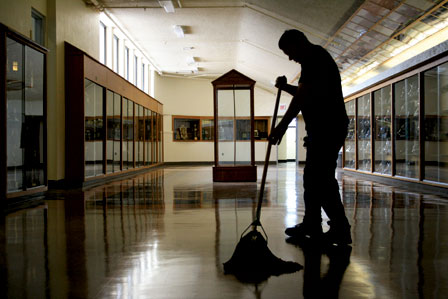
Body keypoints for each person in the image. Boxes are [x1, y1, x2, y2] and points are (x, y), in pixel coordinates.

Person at [269, 29, 351, 246]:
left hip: (329, 128)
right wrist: (285, 86)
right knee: (312, 178)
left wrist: (282, 126)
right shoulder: (313, 60)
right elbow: (307, 91)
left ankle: (340, 228)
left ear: (299, 43)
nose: (289, 57)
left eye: (289, 51)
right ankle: (312, 223)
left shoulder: (315, 57)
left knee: (321, 179)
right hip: (322, 129)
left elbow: (303, 97)